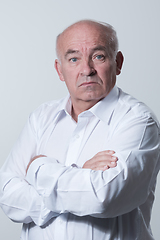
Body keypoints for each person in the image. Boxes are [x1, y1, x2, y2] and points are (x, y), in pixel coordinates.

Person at [0, 19, 160, 240]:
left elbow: (104, 198)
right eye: (74, 59)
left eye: (98, 56)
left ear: (118, 62)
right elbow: (7, 196)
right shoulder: (41, 118)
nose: (87, 69)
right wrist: (81, 174)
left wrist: (38, 168)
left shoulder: (139, 121)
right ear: (60, 70)